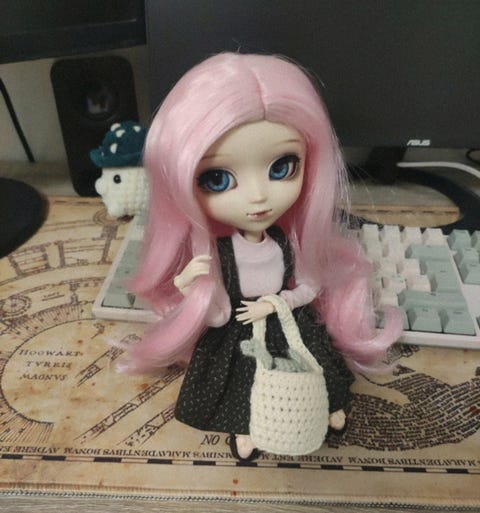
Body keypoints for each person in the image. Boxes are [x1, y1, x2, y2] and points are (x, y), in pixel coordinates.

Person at [122, 53, 402, 460]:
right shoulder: (218, 254)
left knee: (317, 364)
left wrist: (277, 303)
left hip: (287, 318)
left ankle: (329, 404)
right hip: (238, 326)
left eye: (281, 167)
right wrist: (190, 288)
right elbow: (217, 314)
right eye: (218, 179)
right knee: (240, 379)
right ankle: (245, 426)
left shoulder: (287, 243)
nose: (257, 197)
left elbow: (309, 286)